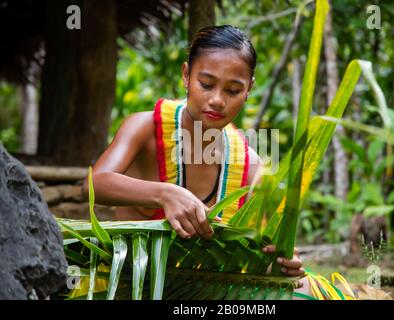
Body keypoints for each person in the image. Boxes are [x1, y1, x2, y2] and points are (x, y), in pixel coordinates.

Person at [82, 25, 312, 297]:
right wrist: (165, 194)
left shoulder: (251, 167)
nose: (217, 100)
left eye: (233, 90)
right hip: (133, 288)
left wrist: (286, 262)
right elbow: (94, 184)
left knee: (304, 288)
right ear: (186, 75)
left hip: (205, 294)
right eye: (206, 84)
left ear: (249, 89)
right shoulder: (145, 129)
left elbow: (268, 248)